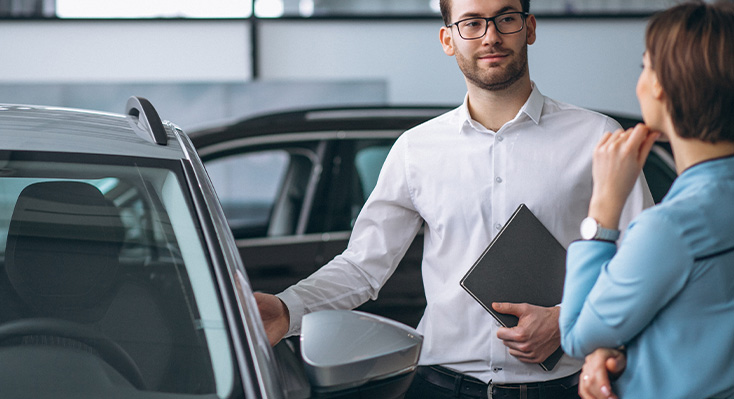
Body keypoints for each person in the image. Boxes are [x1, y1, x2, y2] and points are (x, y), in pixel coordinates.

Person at [255, 0, 653, 397]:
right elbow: (362, 266)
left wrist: (568, 319)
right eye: (472, 23)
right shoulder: (416, 150)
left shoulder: (596, 137)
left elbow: (643, 263)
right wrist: (287, 309)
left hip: (563, 387)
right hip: (439, 386)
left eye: (506, 18)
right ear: (448, 39)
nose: (491, 35)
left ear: (529, 28)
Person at [559, 2, 734, 399]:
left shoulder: (670, 227)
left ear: (661, 85)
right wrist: (617, 344)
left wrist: (603, 203)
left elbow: (575, 334)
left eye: (644, 65)